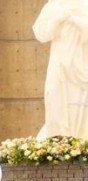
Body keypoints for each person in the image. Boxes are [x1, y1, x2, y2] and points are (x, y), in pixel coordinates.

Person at [32, 0, 88, 139]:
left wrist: (76, 21)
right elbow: (41, 34)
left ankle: (80, 145)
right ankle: (60, 144)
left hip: (82, 65)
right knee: (56, 99)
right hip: (60, 64)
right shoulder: (54, 5)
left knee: (81, 106)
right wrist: (57, 19)